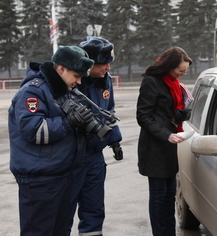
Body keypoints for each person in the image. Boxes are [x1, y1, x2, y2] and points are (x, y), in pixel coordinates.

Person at [9, 46, 95, 236]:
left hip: (61, 174)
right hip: (41, 180)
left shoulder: (61, 90)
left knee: (59, 231)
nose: (79, 82)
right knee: (39, 232)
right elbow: (34, 131)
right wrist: (68, 123)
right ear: (62, 69)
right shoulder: (33, 92)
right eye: (76, 76)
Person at [67, 37, 123, 236]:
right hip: (71, 156)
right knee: (63, 212)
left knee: (94, 207)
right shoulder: (71, 82)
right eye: (104, 63)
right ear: (89, 63)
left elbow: (109, 111)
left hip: (94, 156)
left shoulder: (105, 80)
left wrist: (114, 140)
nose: (108, 67)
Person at [136, 46, 192, 236]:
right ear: (169, 66)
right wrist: (166, 134)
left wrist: (182, 115)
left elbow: (166, 111)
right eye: (180, 70)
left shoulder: (173, 82)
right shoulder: (152, 82)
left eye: (185, 70)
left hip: (170, 146)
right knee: (160, 198)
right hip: (155, 148)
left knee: (169, 196)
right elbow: (143, 116)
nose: (183, 74)